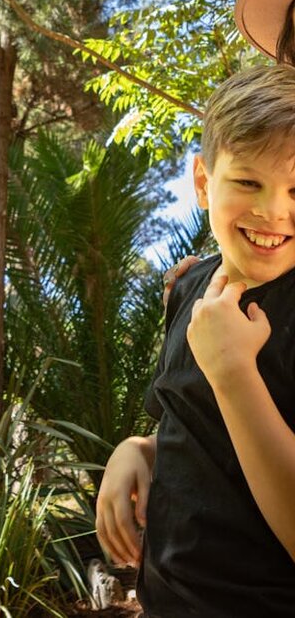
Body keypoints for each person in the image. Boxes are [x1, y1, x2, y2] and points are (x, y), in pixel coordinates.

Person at [96, 62, 295, 617]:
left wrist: (234, 373)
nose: (273, 210)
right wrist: (139, 450)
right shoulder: (188, 287)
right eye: (248, 181)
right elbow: (202, 435)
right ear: (204, 182)